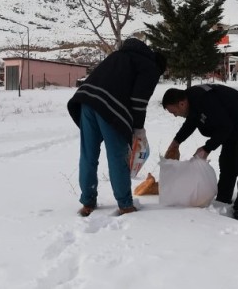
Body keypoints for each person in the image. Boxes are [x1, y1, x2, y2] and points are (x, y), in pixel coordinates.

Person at [68, 38, 166, 217]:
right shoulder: (150, 67)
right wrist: (138, 128)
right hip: (109, 109)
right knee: (117, 156)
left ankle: (88, 202)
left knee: (88, 155)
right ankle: (125, 204)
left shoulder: (118, 55)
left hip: (86, 102)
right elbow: (138, 101)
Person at [162, 84, 238, 220]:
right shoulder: (191, 101)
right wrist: (175, 143)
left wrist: (207, 149)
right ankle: (223, 199)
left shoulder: (205, 100)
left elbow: (224, 127)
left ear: (181, 104)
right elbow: (191, 122)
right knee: (227, 162)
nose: (175, 116)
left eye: (173, 112)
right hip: (232, 124)